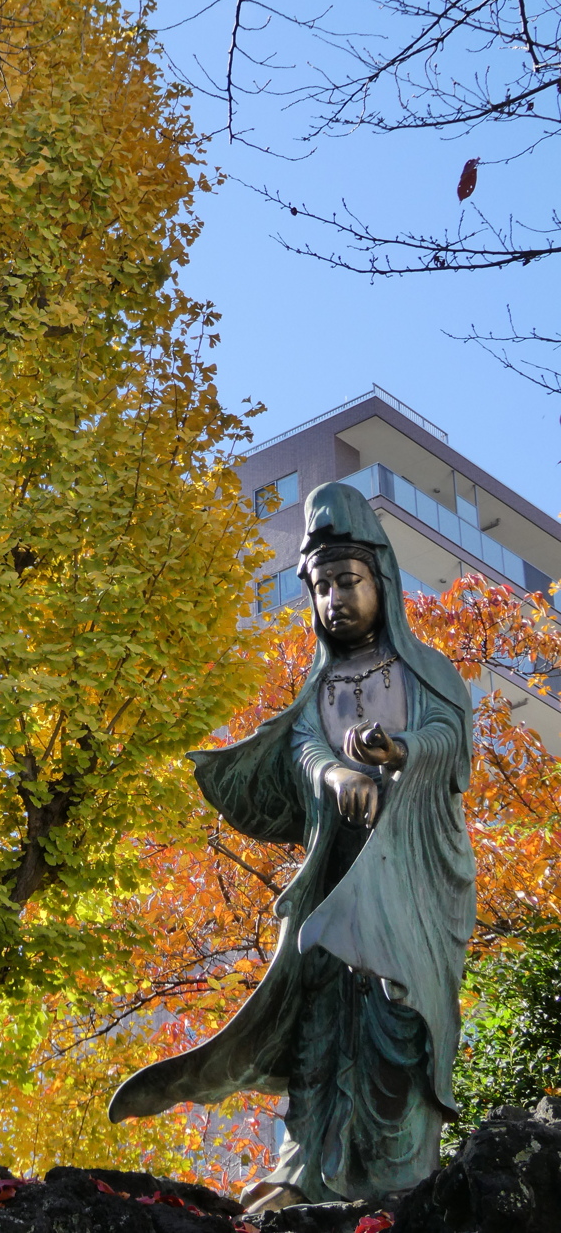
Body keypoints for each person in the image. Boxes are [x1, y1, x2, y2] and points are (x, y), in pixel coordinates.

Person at [108, 481, 476, 1213]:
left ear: (382, 580)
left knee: (395, 1020)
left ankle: (398, 1174)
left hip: (407, 889)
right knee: (321, 1027)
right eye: (322, 586)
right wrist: (338, 773)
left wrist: (400, 750)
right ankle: (304, 1168)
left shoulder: (425, 671)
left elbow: (453, 745)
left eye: (349, 581)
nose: (335, 599)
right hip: (333, 880)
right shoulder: (319, 690)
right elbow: (304, 754)